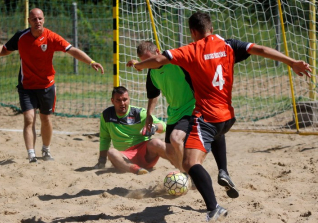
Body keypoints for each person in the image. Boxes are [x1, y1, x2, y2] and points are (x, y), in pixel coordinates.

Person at [127, 11, 311, 222]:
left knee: (189, 163)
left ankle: (213, 206)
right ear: (211, 29)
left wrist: (139, 65)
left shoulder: (190, 50)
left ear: (193, 32)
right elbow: (261, 49)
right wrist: (291, 62)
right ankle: (223, 171)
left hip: (206, 117)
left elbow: (159, 59)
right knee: (203, 143)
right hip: (227, 117)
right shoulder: (228, 45)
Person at [0, 8, 104, 163]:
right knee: (29, 119)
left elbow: (72, 50)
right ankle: (31, 155)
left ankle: (46, 149)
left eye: (40, 19)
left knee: (46, 119)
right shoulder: (21, 37)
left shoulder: (51, 37)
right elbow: (4, 50)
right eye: (34, 19)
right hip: (26, 86)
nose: (38, 21)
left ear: (44, 20)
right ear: (29, 21)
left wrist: (91, 62)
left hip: (46, 86)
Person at [130, 41, 195, 172]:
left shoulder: (175, 62)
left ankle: (191, 174)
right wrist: (149, 115)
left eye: (149, 60)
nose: (148, 64)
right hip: (174, 113)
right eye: (144, 62)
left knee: (176, 140)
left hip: (191, 108)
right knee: (171, 153)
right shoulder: (152, 73)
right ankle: (185, 173)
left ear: (158, 53)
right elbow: (153, 94)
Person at [94, 86, 169, 175]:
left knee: (156, 142)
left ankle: (180, 164)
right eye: (118, 100)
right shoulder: (106, 115)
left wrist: (154, 127)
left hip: (145, 154)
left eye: (125, 99)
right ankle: (135, 169)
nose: (122, 103)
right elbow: (105, 138)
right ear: (112, 101)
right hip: (124, 158)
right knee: (111, 152)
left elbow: (164, 126)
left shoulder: (139, 113)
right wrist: (102, 161)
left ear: (129, 99)